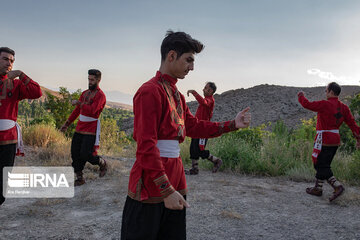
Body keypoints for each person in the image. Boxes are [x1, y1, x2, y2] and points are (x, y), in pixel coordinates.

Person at [121, 31, 251, 240]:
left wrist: (232, 125)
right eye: (189, 60)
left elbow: (194, 126)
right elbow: (145, 146)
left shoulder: (177, 95)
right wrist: (165, 190)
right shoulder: (149, 91)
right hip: (151, 182)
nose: (192, 67)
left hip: (176, 176)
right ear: (171, 56)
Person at [298, 82, 360, 202]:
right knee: (324, 163)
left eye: (326, 90)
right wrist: (358, 138)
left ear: (331, 92)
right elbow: (353, 124)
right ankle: (318, 188)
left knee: (320, 164)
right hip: (335, 140)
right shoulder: (344, 108)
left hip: (324, 139)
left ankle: (337, 186)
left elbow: (307, 104)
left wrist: (301, 96)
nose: (325, 92)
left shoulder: (324, 104)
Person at [0, 47, 42, 205]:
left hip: (8, 140)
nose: (9, 63)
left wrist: (20, 74)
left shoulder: (16, 84)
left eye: (11, 61)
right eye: (5, 59)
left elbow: (36, 92)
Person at [60, 69, 107, 186]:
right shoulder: (84, 93)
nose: (90, 82)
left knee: (86, 154)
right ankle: (80, 178)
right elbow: (77, 111)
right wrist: (67, 124)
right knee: (75, 153)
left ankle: (102, 162)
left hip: (91, 129)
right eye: (89, 79)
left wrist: (79, 103)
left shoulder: (101, 96)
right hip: (80, 127)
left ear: (98, 80)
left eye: (92, 80)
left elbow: (93, 110)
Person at [185, 82, 223, 175]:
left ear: (210, 91)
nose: (203, 89)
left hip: (203, 130)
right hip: (197, 128)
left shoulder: (210, 100)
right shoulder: (206, 99)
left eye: (205, 88)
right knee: (193, 148)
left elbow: (204, 102)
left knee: (200, 149)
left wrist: (194, 92)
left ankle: (216, 161)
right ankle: (194, 169)